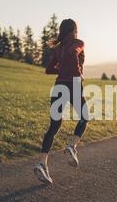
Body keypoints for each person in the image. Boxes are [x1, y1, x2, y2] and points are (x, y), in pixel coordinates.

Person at [34, 19, 88, 184]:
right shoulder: (78, 43)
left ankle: (42, 163)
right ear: (73, 30)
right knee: (84, 116)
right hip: (73, 85)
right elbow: (74, 54)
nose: (77, 31)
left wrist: (63, 69)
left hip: (58, 87)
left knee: (53, 127)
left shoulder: (59, 48)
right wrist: (77, 73)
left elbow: (49, 69)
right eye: (76, 29)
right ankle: (72, 146)